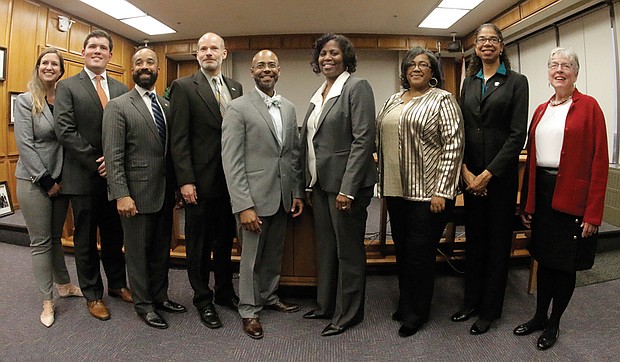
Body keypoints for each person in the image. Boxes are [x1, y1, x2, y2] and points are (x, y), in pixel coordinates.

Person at [514, 48, 608, 350]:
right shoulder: (541, 109)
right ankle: (539, 316)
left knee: (564, 264)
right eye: (554, 65)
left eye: (566, 65)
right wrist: (527, 202)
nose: (559, 70)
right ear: (548, 72)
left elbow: (599, 161)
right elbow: (531, 161)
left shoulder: (589, 107)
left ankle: (554, 323)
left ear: (575, 73)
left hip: (573, 197)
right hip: (542, 194)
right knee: (543, 258)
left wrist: (593, 214)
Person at [376, 47, 464, 337]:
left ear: (432, 72)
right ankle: (406, 303)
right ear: (404, 71)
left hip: (428, 194)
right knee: (402, 251)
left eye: (424, 65)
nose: (417, 68)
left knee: (419, 255)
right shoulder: (391, 100)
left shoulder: (443, 100)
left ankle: (416, 314)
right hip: (395, 191)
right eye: (411, 64)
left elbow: (453, 145)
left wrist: (443, 190)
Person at [451, 23, 528, 334]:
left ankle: (489, 310)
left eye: (491, 39)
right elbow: (461, 130)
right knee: (475, 242)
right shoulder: (468, 83)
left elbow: (516, 135)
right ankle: (470, 301)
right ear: (476, 47)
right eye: (481, 40)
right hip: (471, 178)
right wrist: (466, 171)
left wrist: (487, 174)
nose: (486, 44)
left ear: (501, 45)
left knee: (497, 245)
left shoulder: (516, 82)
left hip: (499, 178)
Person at [102, 47, 187, 329]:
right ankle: (144, 304)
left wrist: (176, 188)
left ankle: (160, 296)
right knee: (137, 253)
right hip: (134, 195)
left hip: (164, 193)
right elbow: (113, 155)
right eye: (139, 63)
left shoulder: (166, 106)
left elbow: (170, 152)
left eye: (150, 62)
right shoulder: (118, 105)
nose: (145, 66)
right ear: (132, 69)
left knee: (161, 250)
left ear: (158, 70)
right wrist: (121, 194)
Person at [222, 49, 304, 339]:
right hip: (252, 200)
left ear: (279, 70)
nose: (266, 69)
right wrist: (243, 205)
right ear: (252, 72)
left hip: (282, 197)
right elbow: (231, 162)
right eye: (260, 65)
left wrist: (296, 192)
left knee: (273, 255)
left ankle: (268, 297)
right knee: (251, 259)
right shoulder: (238, 107)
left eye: (271, 65)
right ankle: (248, 309)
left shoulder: (289, 107)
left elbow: (293, 154)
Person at [300, 33, 377, 337]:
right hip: (320, 185)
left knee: (348, 252)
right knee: (326, 249)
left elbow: (363, 140)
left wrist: (348, 188)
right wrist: (308, 184)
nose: (327, 58)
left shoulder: (356, 87)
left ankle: (350, 313)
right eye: (322, 53)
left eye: (333, 53)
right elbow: (311, 140)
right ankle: (325, 305)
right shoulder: (320, 92)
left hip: (346, 186)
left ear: (346, 57)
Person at [54, 30, 132, 321]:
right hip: (83, 177)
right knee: (85, 239)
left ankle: (118, 285)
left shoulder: (122, 89)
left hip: (116, 180)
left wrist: (114, 165)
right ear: (84, 52)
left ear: (110, 55)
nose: (97, 51)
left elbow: (128, 130)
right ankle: (92, 294)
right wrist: (97, 162)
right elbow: (65, 129)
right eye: (92, 47)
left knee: (114, 235)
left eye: (103, 47)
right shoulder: (67, 87)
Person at [169, 32, 242, 329]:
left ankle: (225, 292)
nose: (208, 52)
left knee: (225, 241)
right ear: (197, 55)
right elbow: (179, 139)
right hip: (199, 183)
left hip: (231, 183)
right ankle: (202, 299)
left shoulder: (236, 88)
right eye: (203, 49)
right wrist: (185, 180)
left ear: (224, 54)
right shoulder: (184, 87)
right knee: (198, 245)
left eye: (214, 48)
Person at [14, 47, 83, 328]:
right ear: (38, 67)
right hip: (34, 181)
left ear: (62, 69)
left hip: (62, 180)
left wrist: (61, 179)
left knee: (56, 238)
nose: (49, 67)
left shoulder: (66, 100)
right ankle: (47, 300)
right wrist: (45, 180)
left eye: (55, 63)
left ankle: (65, 285)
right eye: (45, 63)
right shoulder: (25, 100)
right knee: (41, 242)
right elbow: (25, 144)